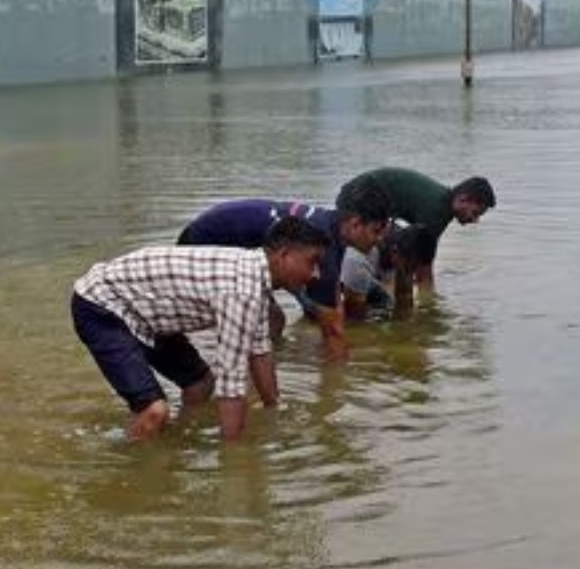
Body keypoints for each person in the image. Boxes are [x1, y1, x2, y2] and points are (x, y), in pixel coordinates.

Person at [70, 216, 330, 441]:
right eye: (312, 262)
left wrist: (275, 410)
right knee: (154, 411)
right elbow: (232, 385)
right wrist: (235, 459)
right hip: (102, 303)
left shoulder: (256, 279)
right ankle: (135, 465)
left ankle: (180, 439)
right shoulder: (242, 292)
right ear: (283, 256)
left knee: (201, 385)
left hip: (145, 311)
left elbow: (260, 352)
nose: (316, 274)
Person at [177, 181, 390, 353]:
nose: (380, 239)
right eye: (376, 231)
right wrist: (341, 386)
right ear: (354, 224)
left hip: (225, 236)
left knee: (274, 321)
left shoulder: (331, 228)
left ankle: (266, 376)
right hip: (203, 246)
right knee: (262, 324)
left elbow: (333, 304)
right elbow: (333, 331)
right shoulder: (323, 248)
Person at [336, 167, 496, 289]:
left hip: (362, 197)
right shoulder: (436, 211)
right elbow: (424, 271)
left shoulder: (442, 202)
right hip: (357, 200)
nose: (475, 220)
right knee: (397, 254)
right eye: (475, 213)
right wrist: (432, 308)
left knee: (401, 251)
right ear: (463, 199)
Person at [342, 224, 437, 320]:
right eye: (410, 267)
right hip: (341, 271)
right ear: (395, 252)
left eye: (414, 269)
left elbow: (404, 300)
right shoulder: (360, 258)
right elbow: (354, 314)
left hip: (369, 274)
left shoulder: (407, 246)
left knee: (386, 302)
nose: (412, 274)